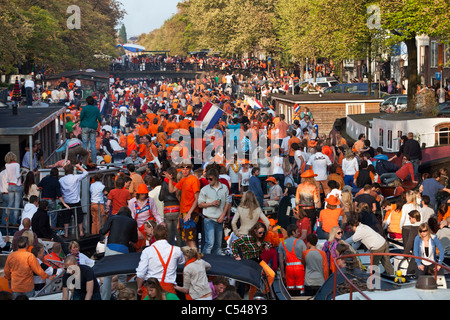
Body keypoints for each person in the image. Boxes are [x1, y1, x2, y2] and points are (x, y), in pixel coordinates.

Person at [99, 206, 138, 300]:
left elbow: (102, 231)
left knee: (107, 277)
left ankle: (105, 298)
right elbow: (135, 239)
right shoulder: (132, 222)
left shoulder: (113, 218)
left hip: (110, 248)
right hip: (123, 250)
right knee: (122, 277)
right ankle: (122, 298)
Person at [136, 224, 185, 299]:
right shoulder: (176, 250)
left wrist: (139, 287)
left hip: (150, 287)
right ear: (166, 235)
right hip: (168, 288)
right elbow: (182, 262)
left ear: (154, 235)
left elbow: (140, 273)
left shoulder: (147, 251)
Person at [231, 222, 275, 300]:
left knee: (271, 274)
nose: (262, 234)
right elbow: (234, 243)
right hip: (249, 261)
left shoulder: (260, 238)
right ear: (254, 230)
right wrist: (236, 255)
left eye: (263, 232)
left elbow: (268, 243)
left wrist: (267, 245)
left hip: (258, 260)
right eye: (260, 232)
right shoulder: (246, 238)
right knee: (253, 284)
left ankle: (264, 293)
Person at [164, 162, 200, 248]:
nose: (184, 171)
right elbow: (172, 190)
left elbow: (197, 198)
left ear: (190, 169)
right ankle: (192, 258)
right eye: (183, 169)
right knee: (186, 239)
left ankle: (195, 258)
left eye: (187, 169)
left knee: (190, 239)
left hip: (190, 213)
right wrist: (170, 179)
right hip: (184, 212)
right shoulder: (184, 179)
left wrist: (189, 213)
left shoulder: (194, 180)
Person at [198, 168, 230, 255]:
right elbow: (200, 204)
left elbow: (227, 202)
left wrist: (223, 215)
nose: (208, 181)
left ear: (216, 178)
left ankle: (217, 265)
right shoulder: (204, 189)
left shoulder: (224, 188)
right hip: (208, 219)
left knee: (218, 246)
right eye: (207, 178)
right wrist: (211, 203)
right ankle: (205, 262)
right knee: (209, 244)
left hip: (219, 219)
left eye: (210, 179)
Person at [129, 183, 163, 251]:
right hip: (137, 226)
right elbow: (131, 217)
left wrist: (161, 222)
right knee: (138, 245)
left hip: (149, 225)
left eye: (145, 194)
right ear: (138, 194)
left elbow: (155, 213)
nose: (143, 196)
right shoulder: (132, 202)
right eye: (142, 194)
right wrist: (136, 230)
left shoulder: (150, 200)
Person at [59, 164, 88, 237]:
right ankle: (81, 232)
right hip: (76, 201)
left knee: (66, 218)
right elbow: (86, 173)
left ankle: (66, 233)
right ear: (72, 170)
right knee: (79, 217)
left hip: (66, 202)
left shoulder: (61, 180)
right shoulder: (76, 177)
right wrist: (79, 166)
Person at [278, 224, 306, 294]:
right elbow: (305, 256)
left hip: (288, 270)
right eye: (297, 231)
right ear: (293, 232)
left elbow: (280, 260)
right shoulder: (300, 242)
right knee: (301, 289)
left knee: (290, 290)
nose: (299, 233)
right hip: (299, 269)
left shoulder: (282, 244)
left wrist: (282, 273)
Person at [400, 190, 422, 274]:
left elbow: (403, 218)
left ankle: (407, 263)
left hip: (406, 227)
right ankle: (413, 264)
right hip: (415, 227)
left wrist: (400, 226)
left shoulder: (405, 206)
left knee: (408, 245)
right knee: (414, 247)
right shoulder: (418, 206)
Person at [159, 167, 181, 246]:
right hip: (177, 209)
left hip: (167, 210)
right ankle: (179, 250)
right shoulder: (178, 183)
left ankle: (170, 251)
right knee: (178, 234)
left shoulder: (164, 183)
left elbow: (160, 198)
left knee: (169, 235)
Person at [80, 96, 102, 162]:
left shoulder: (84, 108)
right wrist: (100, 124)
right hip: (93, 127)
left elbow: (81, 117)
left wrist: (76, 121)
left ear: (87, 102)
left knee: (84, 144)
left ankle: (84, 161)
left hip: (85, 127)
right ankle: (94, 161)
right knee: (93, 144)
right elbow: (99, 118)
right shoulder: (96, 109)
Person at [4, 152, 23, 227]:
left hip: (10, 185)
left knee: (10, 204)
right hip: (17, 185)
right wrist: (22, 172)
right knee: (16, 205)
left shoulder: (6, 165)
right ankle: (15, 222)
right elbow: (17, 175)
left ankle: (9, 220)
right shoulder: (17, 164)